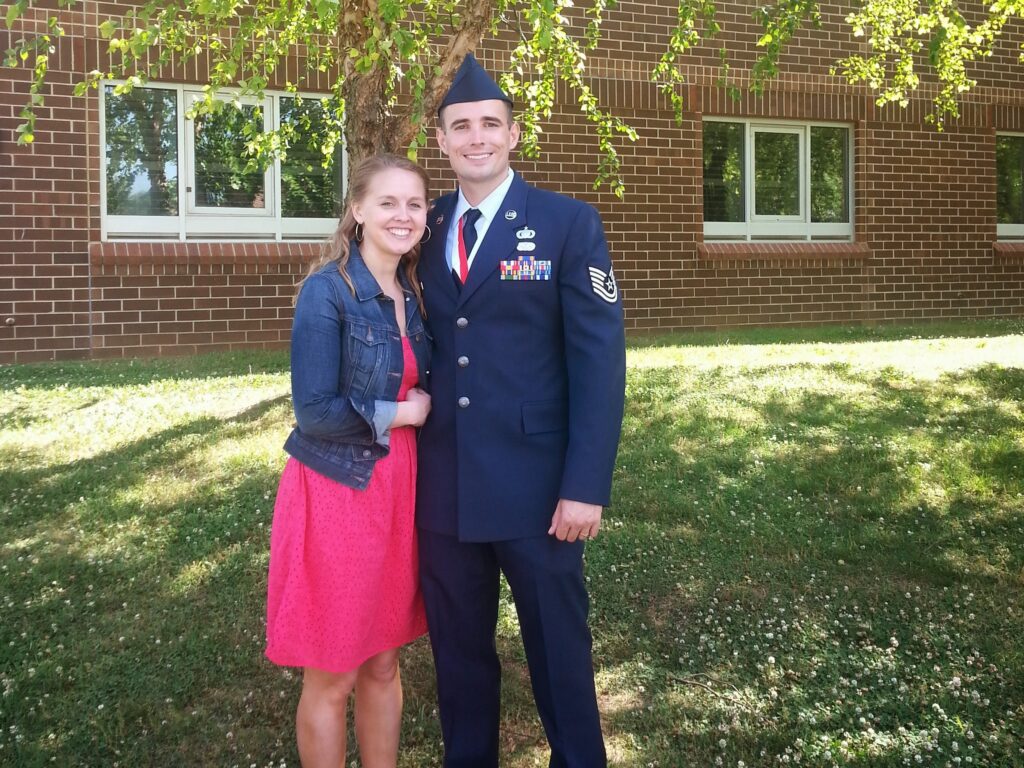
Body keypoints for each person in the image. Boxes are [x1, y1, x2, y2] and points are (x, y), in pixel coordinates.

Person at [416, 53, 627, 767]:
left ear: (512, 135)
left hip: (540, 493)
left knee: (560, 663)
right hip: (445, 490)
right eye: (460, 127)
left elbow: (599, 364)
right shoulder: (424, 222)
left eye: (489, 125)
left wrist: (585, 486)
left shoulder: (568, 224)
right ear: (440, 141)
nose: (476, 138)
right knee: (461, 665)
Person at [265, 153, 433, 768]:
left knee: (384, 660)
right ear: (357, 210)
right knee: (334, 670)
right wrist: (404, 414)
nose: (402, 214)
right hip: (340, 493)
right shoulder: (326, 291)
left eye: (414, 204)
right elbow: (314, 411)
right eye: (387, 202)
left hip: (399, 492)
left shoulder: (415, 294)